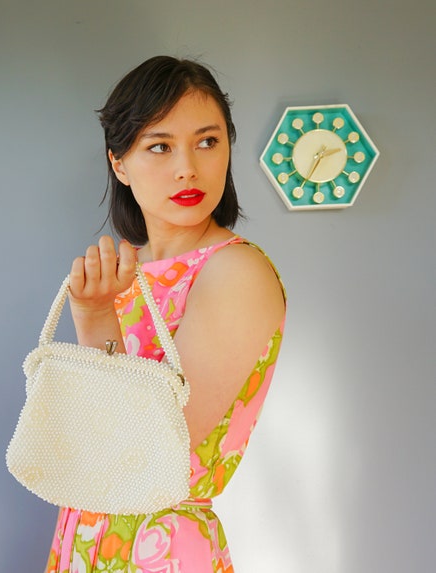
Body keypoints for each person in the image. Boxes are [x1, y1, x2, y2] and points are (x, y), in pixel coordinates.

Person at [44, 55, 286, 573]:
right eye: (160, 146)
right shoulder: (132, 272)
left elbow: (154, 452)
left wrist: (94, 320)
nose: (188, 168)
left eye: (207, 141)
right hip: (88, 537)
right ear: (119, 163)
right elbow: (99, 430)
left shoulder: (234, 271)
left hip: (160, 546)